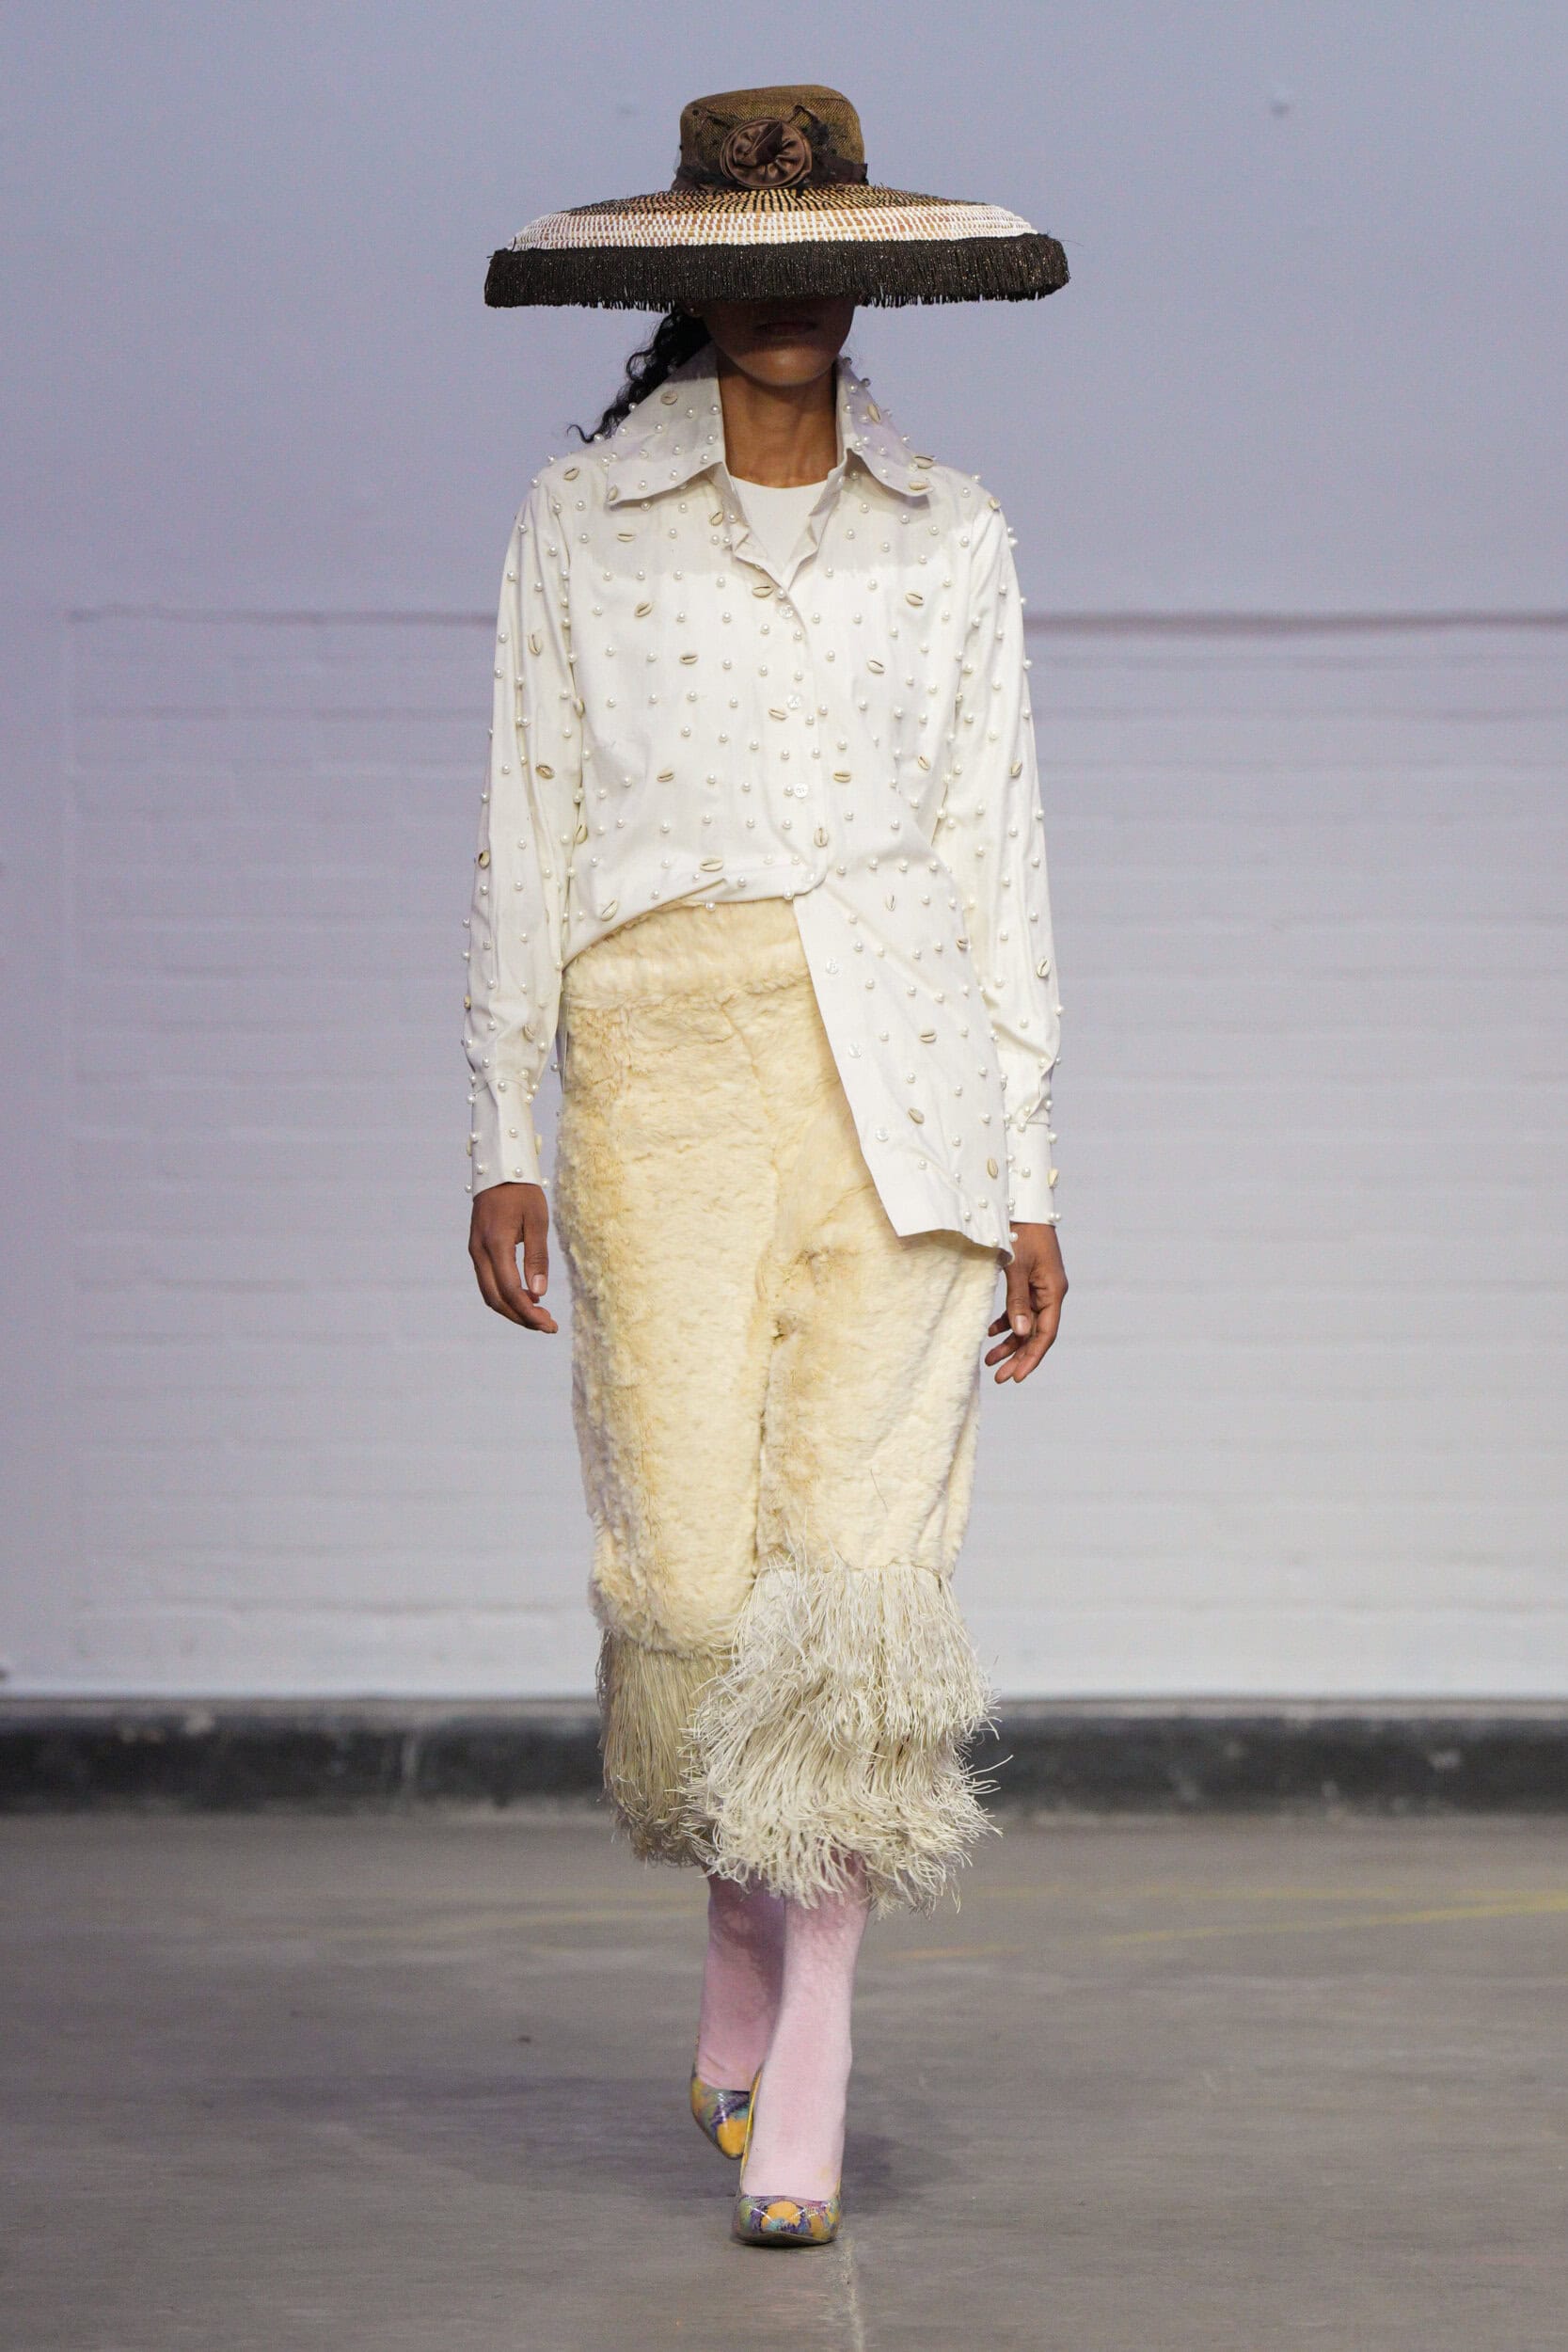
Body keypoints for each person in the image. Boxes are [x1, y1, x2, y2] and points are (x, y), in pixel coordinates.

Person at [465, 85, 1070, 2248]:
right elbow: (523, 815)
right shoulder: (582, 522)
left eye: (819, 258)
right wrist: (498, 1125)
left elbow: (997, 847)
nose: (787, 294)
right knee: (701, 1581)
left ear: (868, 275)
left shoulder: (952, 531)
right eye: (746, 262)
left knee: (861, 1576)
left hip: (904, 1070)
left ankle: (815, 2030)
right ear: (689, 280)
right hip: (660, 1071)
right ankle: (743, 1908)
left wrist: (1030, 1167)